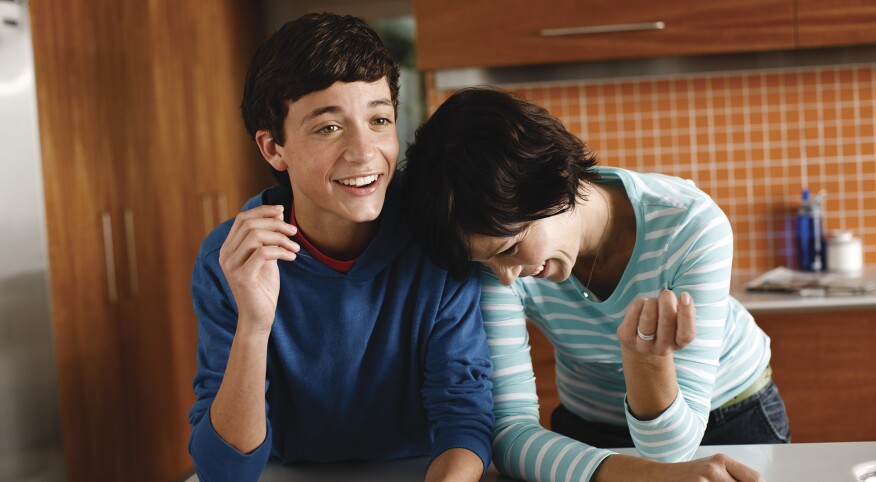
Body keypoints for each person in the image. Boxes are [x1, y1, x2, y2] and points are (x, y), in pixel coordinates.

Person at [403, 87, 790, 482]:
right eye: (484, 259)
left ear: (558, 176)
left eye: (511, 247)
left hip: (727, 417)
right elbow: (509, 433)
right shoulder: (495, 258)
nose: (504, 275)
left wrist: (643, 360)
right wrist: (638, 474)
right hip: (587, 435)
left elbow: (672, 447)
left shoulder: (689, 227)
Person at [188, 14, 494, 482]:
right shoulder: (230, 260)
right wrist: (254, 324)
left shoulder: (439, 235)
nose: (364, 151)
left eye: (379, 120)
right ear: (274, 149)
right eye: (329, 127)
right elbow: (224, 470)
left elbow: (464, 420)